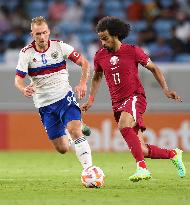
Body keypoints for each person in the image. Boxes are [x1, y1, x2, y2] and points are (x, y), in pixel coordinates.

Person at [81, 16, 186, 182]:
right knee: (141, 149)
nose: (102, 43)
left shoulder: (133, 51)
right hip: (117, 103)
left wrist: (165, 89)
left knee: (124, 125)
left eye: (105, 38)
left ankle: (142, 168)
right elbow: (96, 77)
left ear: (115, 35)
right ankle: (173, 154)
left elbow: (154, 68)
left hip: (135, 97)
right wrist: (91, 99)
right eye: (100, 39)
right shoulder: (100, 56)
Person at [15, 16, 92, 170]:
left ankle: (89, 170)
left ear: (49, 32)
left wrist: (83, 83)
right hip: (44, 104)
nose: (42, 37)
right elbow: (18, 79)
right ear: (32, 35)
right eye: (38, 34)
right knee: (62, 148)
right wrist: (23, 88)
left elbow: (84, 63)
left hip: (64, 96)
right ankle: (74, 129)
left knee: (75, 131)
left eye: (44, 32)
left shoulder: (60, 47)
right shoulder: (26, 53)